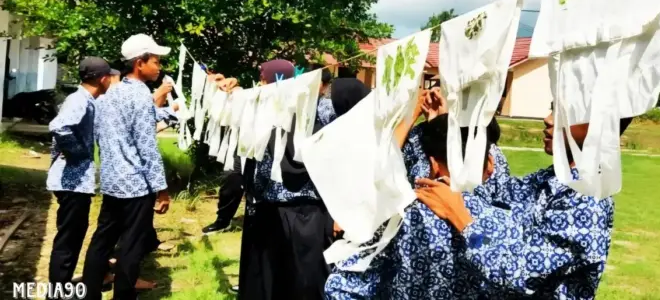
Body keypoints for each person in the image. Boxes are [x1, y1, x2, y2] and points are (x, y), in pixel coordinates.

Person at [416, 105, 632, 298]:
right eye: (553, 108)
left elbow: (521, 276)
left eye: (564, 113)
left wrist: (461, 218)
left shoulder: (587, 200)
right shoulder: (553, 179)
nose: (548, 119)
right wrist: (444, 126)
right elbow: (495, 197)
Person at [325, 102, 509, 299]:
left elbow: (344, 284)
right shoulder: (505, 222)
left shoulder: (401, 214)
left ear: (432, 165)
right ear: (490, 165)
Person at [237, 71, 355, 300]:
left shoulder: (270, 134)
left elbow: (258, 179)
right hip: (312, 218)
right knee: (306, 279)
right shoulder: (322, 132)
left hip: (273, 216)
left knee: (274, 277)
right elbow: (334, 177)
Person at [82, 34, 172, 300]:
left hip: (111, 181)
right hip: (134, 185)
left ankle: (89, 292)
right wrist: (161, 189)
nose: (159, 67)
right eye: (155, 61)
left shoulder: (109, 93)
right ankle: (124, 294)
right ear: (140, 63)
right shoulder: (140, 95)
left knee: (102, 240)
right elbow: (147, 146)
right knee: (131, 245)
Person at [203, 65, 333, 235]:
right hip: (252, 155)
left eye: (264, 79)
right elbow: (241, 99)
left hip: (288, 173)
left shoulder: (311, 105)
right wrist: (225, 86)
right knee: (235, 181)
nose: (260, 82)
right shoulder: (266, 97)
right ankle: (224, 219)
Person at [46, 57, 116, 287]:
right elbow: (59, 126)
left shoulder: (88, 99)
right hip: (71, 183)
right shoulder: (79, 100)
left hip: (75, 183)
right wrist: (77, 153)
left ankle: (62, 285)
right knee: (68, 239)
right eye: (110, 77)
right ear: (103, 79)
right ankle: (58, 290)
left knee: (74, 235)